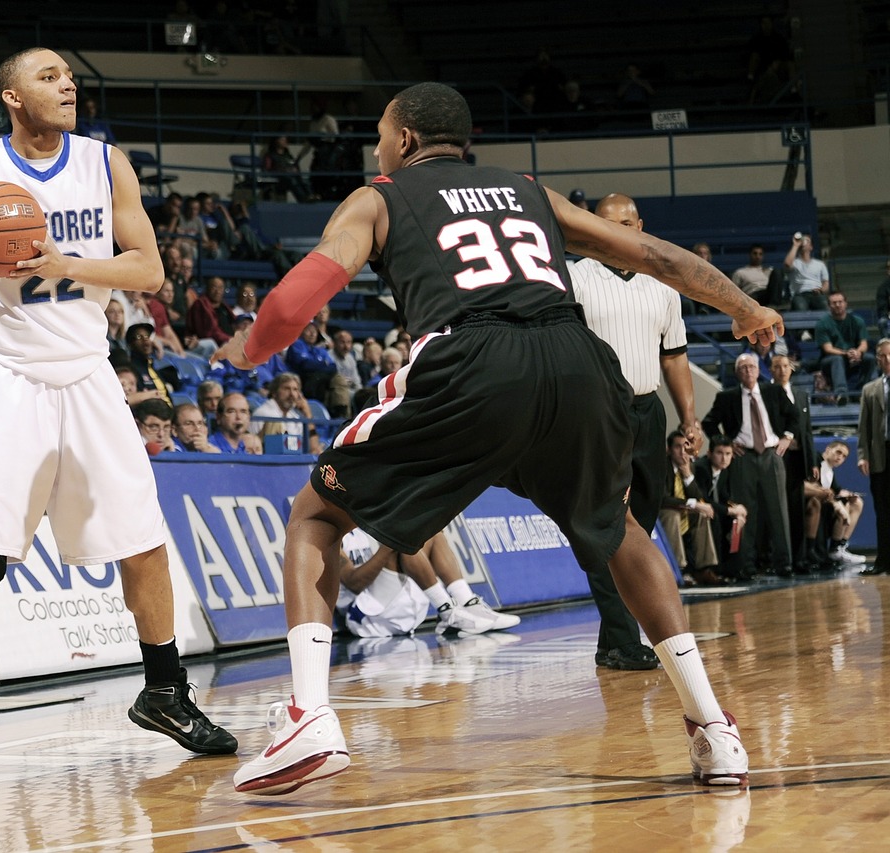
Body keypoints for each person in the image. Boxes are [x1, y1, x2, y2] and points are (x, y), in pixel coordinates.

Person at [215, 82, 781, 795]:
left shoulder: (380, 196)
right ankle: (712, 728)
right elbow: (647, 253)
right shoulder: (529, 190)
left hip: (471, 359)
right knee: (621, 527)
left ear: (407, 142)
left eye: (383, 137)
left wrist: (247, 352)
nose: (380, 149)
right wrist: (743, 304)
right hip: (576, 357)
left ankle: (308, 715)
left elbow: (294, 302)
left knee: (319, 512)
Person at [0, 46, 237, 783]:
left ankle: (165, 690)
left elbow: (150, 270)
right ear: (13, 97)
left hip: (89, 372)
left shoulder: (104, 163)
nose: (66, 84)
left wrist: (64, 262)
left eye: (69, 75)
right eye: (48, 77)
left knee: (143, 540)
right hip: (7, 374)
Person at [570, 191, 702, 670]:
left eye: (628, 222)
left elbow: (676, 355)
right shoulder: (573, 277)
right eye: (609, 223)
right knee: (612, 527)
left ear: (641, 225)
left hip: (649, 412)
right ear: (593, 228)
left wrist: (689, 418)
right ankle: (624, 641)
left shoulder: (662, 282)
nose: (620, 229)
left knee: (639, 529)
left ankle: (612, 641)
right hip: (599, 413)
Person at [702, 353, 798, 579]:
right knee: (745, 512)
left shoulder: (773, 391)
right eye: (743, 368)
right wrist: (726, 443)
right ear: (737, 373)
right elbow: (708, 423)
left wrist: (787, 437)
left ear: (759, 370)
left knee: (779, 511)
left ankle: (784, 564)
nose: (748, 371)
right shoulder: (727, 397)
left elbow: (794, 415)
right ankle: (746, 566)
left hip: (772, 455)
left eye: (752, 367)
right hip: (743, 457)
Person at [337, 528, 519, 637]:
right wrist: (388, 548)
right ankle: (448, 611)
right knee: (404, 537)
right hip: (364, 616)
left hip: (389, 602)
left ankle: (467, 603)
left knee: (430, 530)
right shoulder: (334, 537)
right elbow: (353, 583)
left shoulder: (364, 525)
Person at [770, 353, 817, 574]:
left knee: (798, 511)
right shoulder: (765, 394)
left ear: (792, 369)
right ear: (771, 370)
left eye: (785, 366)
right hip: (778, 459)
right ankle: (779, 559)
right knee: (779, 512)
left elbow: (807, 431)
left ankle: (800, 558)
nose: (782, 370)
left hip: (799, 462)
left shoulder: (801, 395)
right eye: (777, 366)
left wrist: (813, 461)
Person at [657, 430, 722, 586]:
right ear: (669, 449)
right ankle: (679, 568)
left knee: (701, 514)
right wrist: (693, 504)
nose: (682, 452)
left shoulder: (689, 466)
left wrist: (687, 474)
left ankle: (703, 569)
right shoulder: (662, 466)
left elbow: (698, 497)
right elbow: (663, 499)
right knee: (672, 514)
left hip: (681, 512)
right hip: (662, 513)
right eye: (678, 447)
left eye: (685, 447)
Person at [693, 435, 748, 580]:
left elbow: (725, 497)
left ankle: (735, 569)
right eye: (719, 453)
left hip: (715, 508)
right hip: (697, 509)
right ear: (709, 453)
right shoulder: (701, 468)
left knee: (736, 521)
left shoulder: (725, 470)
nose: (724, 458)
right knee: (715, 518)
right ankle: (715, 569)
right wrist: (730, 510)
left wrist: (736, 510)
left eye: (728, 454)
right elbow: (703, 498)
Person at [856, 341, 890, 576]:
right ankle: (884, 562)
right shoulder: (870, 389)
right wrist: (862, 456)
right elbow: (863, 427)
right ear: (877, 359)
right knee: (883, 511)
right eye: (883, 356)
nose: (887, 360)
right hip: (881, 454)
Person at [803, 440, 865, 569]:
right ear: (828, 449)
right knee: (843, 506)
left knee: (856, 502)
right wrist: (838, 504)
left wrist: (846, 494)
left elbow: (835, 490)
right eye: (838, 452)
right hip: (811, 503)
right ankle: (824, 550)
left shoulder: (830, 471)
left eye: (844, 456)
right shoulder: (815, 459)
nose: (840, 457)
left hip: (825, 505)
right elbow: (814, 486)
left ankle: (838, 547)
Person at [815, 291, 876, 404]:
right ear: (829, 306)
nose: (837, 305)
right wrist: (845, 353)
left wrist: (858, 352)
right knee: (837, 359)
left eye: (840, 302)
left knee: (870, 358)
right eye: (834, 303)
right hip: (830, 361)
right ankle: (841, 393)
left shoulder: (857, 321)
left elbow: (864, 344)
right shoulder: (822, 324)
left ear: (846, 304)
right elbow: (828, 349)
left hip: (853, 359)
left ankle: (861, 391)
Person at [784, 233, 828, 311]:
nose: (804, 242)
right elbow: (787, 264)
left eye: (807, 241)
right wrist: (796, 245)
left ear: (811, 247)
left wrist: (821, 290)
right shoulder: (795, 263)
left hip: (816, 294)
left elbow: (826, 283)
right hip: (799, 295)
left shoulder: (820, 264)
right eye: (802, 240)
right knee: (800, 308)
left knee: (824, 306)